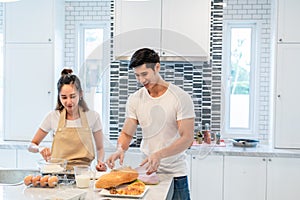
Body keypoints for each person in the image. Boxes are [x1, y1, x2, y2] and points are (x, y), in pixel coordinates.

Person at [106, 48, 195, 200]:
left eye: (145, 74)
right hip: (147, 174)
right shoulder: (135, 99)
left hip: (175, 174)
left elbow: (187, 139)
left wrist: (159, 154)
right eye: (137, 75)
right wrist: (120, 149)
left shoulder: (180, 97)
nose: (141, 80)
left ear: (157, 67)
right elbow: (127, 133)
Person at [28, 68, 107, 172]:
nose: (69, 102)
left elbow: (100, 148)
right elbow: (31, 145)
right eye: (64, 97)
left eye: (73, 96)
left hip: (83, 174)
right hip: (57, 174)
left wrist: (100, 162)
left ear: (81, 94)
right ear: (59, 97)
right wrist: (40, 148)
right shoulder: (52, 117)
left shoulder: (93, 116)